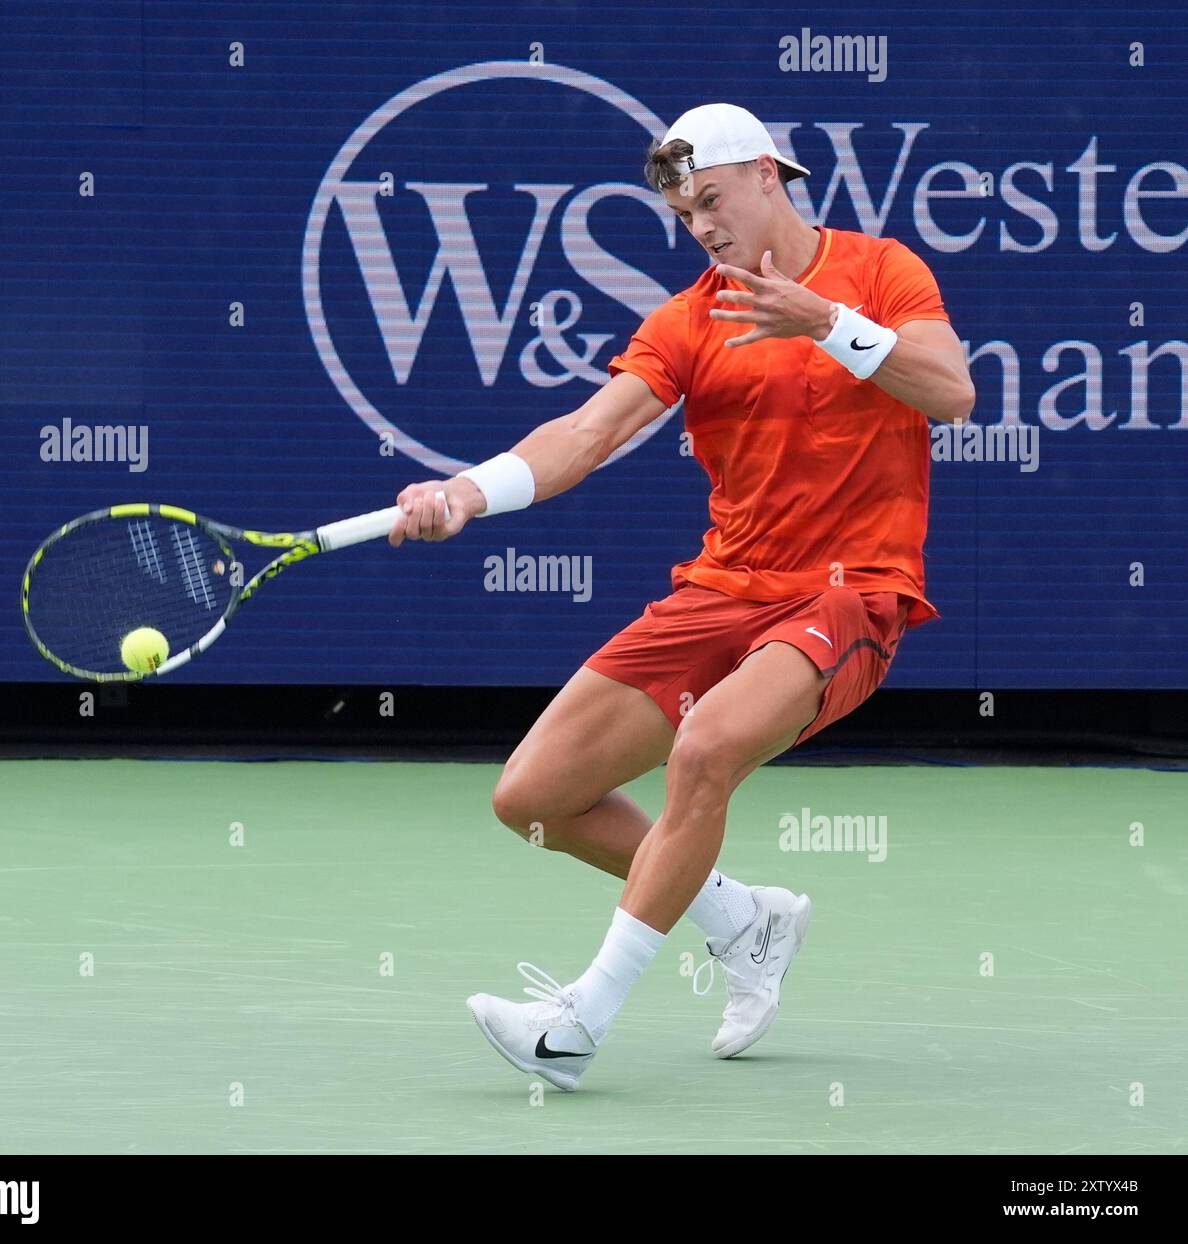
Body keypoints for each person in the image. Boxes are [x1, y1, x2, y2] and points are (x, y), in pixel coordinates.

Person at [389, 103, 975, 1090]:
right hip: (722, 590)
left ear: (765, 177)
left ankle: (579, 1019)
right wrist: (465, 490)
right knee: (534, 795)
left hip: (851, 595)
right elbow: (582, 436)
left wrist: (825, 321)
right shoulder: (690, 318)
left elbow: (949, 390)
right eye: (682, 212)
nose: (701, 225)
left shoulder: (881, 271)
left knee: (703, 749)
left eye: (710, 199)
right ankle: (743, 920)